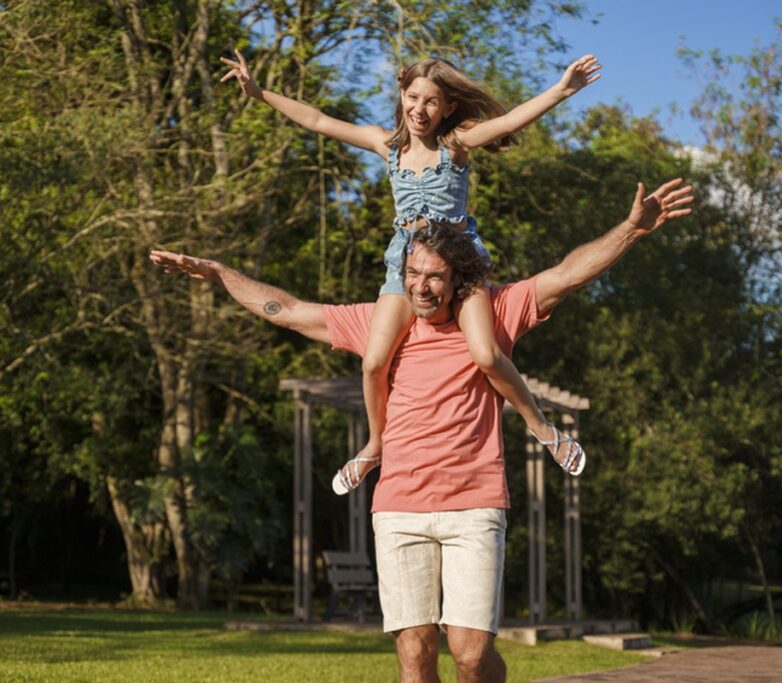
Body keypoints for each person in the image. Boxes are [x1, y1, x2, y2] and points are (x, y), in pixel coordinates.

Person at [151, 178, 694, 683]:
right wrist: (221, 273)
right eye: (413, 275)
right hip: (398, 506)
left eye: (434, 276)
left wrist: (629, 231)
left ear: (458, 278)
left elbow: (566, 275)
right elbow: (289, 310)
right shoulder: (380, 324)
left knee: (472, 654)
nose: (422, 287)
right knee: (414, 653)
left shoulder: (495, 312)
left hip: (475, 505)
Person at [219, 49, 602, 493]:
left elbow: (510, 121)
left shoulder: (455, 144)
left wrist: (560, 90)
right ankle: (376, 445)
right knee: (374, 361)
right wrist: (258, 92)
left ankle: (541, 427)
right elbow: (318, 121)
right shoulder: (387, 145)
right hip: (407, 263)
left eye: (432, 102)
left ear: (449, 108)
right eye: (414, 98)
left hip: (459, 262)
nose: (420, 109)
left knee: (485, 354)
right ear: (401, 93)